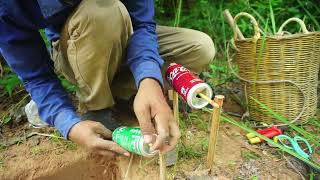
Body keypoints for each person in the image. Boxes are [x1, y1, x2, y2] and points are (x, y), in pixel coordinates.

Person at [0, 0, 215, 157]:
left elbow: (141, 24)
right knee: (102, 11)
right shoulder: (6, 7)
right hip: (76, 47)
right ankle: (97, 107)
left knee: (200, 48)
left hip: (125, 34)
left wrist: (148, 78)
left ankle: (132, 92)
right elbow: (37, 78)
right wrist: (70, 126)